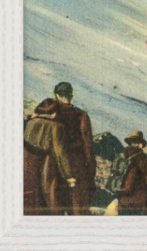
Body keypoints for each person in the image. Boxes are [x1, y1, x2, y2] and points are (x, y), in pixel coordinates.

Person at [24, 81, 95, 215]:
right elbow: (88, 146)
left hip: (50, 162)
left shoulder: (50, 113)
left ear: (56, 95)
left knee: (52, 201)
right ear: (71, 95)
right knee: (75, 203)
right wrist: (90, 169)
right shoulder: (81, 115)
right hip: (75, 163)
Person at [24, 98, 75, 214]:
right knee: (49, 200)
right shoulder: (56, 126)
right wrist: (69, 176)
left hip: (26, 165)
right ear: (55, 113)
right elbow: (60, 153)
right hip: (43, 167)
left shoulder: (31, 122)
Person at [117, 131, 147, 215]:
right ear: (140, 143)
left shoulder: (121, 156)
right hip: (139, 201)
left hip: (123, 201)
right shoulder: (142, 157)